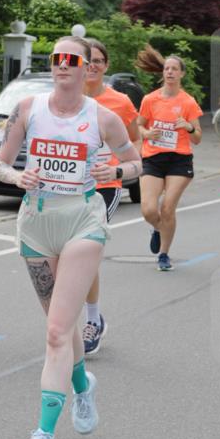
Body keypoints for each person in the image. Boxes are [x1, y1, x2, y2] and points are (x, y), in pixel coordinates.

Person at [0, 36, 141, 439]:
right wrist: (17, 177)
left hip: (82, 221)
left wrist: (114, 169)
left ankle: (43, 435)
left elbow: (138, 163)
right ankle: (83, 385)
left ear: (86, 68)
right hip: (36, 224)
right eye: (56, 58)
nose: (62, 65)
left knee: (57, 332)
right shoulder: (27, 109)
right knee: (63, 325)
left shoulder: (104, 118)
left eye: (71, 59)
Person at [81, 38, 140, 356]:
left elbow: (135, 142)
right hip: (67, 187)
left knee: (87, 250)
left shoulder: (119, 102)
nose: (91, 65)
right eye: (86, 59)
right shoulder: (63, 100)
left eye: (98, 60)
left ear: (106, 65)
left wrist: (121, 171)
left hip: (104, 186)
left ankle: (91, 320)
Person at [135, 45, 202, 271]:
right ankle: (157, 228)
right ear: (162, 73)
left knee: (167, 208)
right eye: (166, 69)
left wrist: (189, 128)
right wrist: (146, 133)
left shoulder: (188, 102)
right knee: (148, 210)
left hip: (179, 161)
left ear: (182, 74)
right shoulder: (150, 100)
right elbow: (139, 126)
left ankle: (163, 254)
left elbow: (198, 138)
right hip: (153, 158)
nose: (170, 72)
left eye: (174, 69)